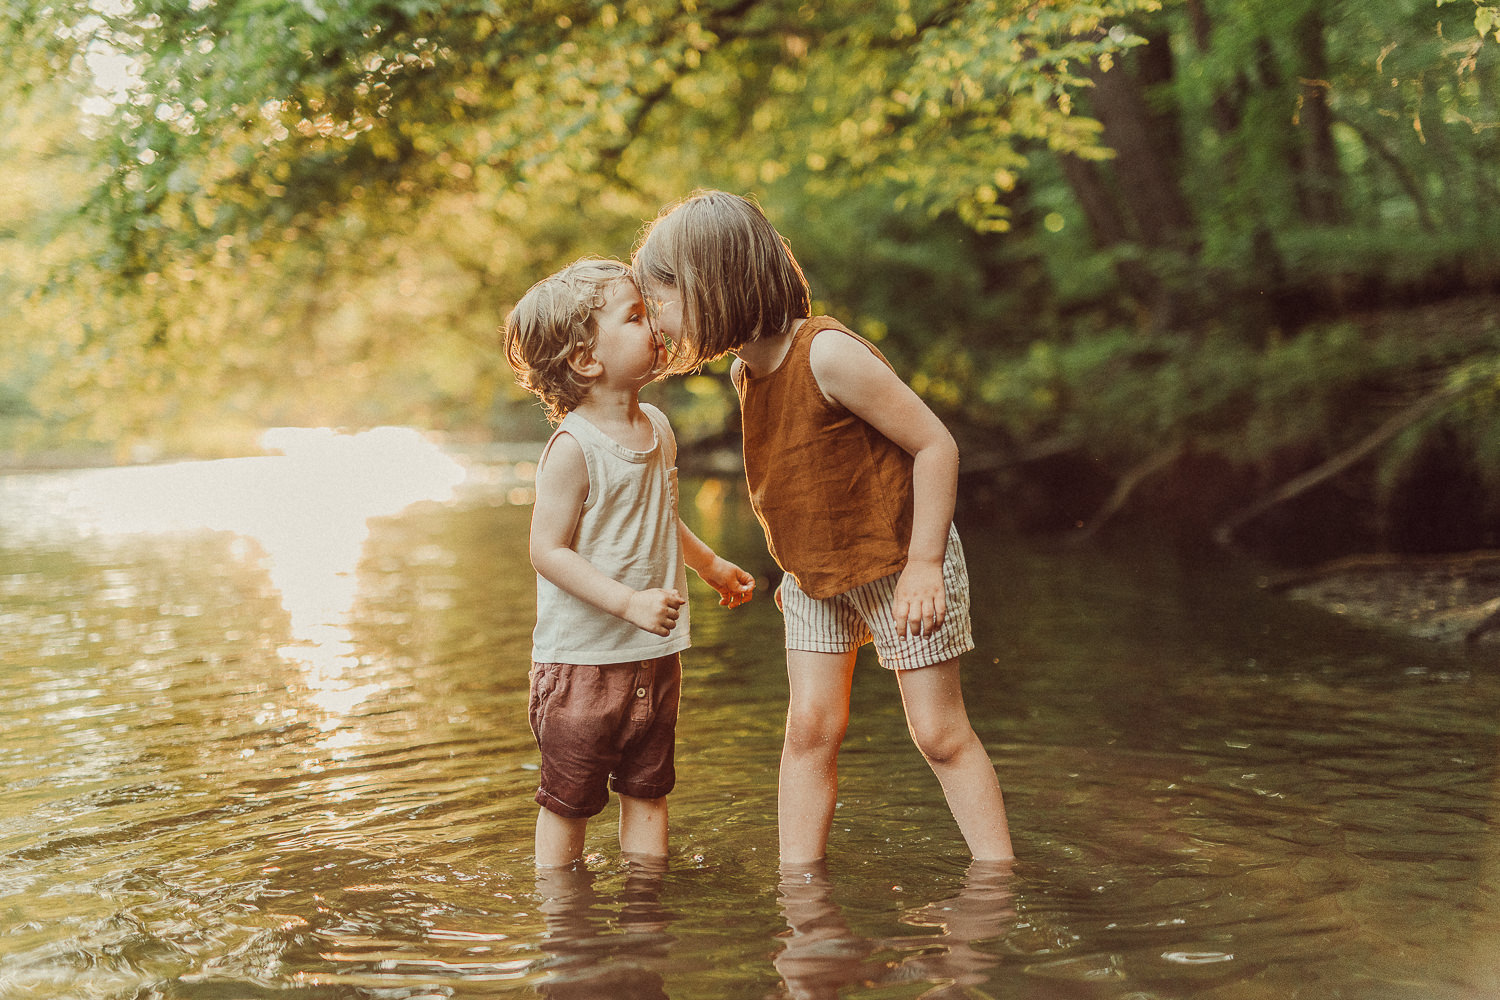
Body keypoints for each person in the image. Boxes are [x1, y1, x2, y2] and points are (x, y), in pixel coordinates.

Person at [633, 191, 1014, 864]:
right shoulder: (745, 371)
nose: (656, 317)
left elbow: (936, 446)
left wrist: (926, 564)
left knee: (938, 732)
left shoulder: (827, 355)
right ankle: (799, 888)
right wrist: (796, 568)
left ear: (713, 282)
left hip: (901, 563)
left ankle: (997, 878)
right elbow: (798, 481)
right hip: (816, 581)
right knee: (809, 729)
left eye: (662, 297)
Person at [502, 256, 755, 868]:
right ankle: (566, 925)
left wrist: (711, 565)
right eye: (636, 316)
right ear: (587, 359)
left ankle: (646, 909)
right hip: (582, 663)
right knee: (569, 801)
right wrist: (629, 603)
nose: (655, 325)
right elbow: (546, 550)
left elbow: (660, 518)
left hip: (653, 658)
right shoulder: (573, 447)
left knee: (648, 791)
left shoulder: (659, 428)